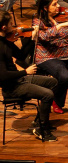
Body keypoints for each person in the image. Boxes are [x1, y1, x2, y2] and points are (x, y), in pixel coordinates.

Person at [0, 10, 58, 141]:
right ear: (3, 27)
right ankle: (42, 130)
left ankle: (39, 122)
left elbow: (21, 56)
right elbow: (2, 76)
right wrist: (25, 72)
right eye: (10, 24)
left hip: (19, 80)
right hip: (12, 88)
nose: (14, 26)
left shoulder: (6, 41)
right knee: (48, 94)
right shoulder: (0, 47)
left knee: (53, 82)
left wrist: (32, 39)